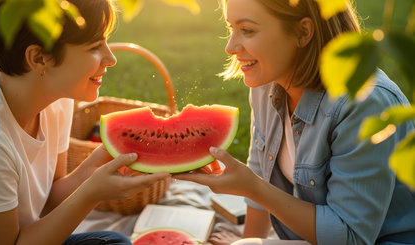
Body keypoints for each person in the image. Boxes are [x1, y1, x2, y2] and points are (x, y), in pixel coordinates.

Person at [174, 0, 415, 244]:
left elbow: (350, 237)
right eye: (230, 29)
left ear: (303, 32)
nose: (230, 46)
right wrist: (246, 240)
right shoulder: (267, 79)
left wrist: (253, 188)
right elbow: (259, 169)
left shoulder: (363, 104)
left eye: (247, 30)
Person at [0, 0, 170, 244]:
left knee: (114, 241)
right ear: (39, 58)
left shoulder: (56, 98)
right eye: (95, 46)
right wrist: (91, 194)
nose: (111, 58)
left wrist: (90, 169)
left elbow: (48, 199)